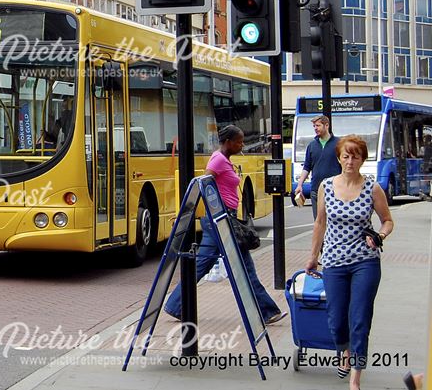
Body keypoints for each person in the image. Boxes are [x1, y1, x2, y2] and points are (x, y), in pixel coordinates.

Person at [164, 125, 286, 325]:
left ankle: (175, 305)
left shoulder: (224, 160)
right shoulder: (218, 160)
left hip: (220, 219)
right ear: (228, 142)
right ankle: (267, 311)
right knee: (244, 267)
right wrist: (215, 208)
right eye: (239, 141)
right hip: (220, 220)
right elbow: (205, 182)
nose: (242, 145)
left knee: (205, 265)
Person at [306, 135, 393, 390]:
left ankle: (355, 376)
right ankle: (343, 351)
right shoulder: (326, 186)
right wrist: (313, 257)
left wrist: (380, 235)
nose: (350, 161)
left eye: (356, 156)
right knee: (336, 320)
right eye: (346, 156)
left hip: (364, 261)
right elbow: (320, 223)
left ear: (362, 159)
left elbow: (387, 220)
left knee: (360, 318)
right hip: (333, 261)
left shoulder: (372, 188)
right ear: (339, 158)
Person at [295, 114, 341, 219]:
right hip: (316, 190)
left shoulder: (339, 143)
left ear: (326, 125)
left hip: (335, 190)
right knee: (318, 222)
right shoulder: (312, 145)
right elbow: (307, 167)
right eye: (314, 126)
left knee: (334, 221)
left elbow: (344, 166)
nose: (315, 128)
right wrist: (300, 185)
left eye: (318, 125)